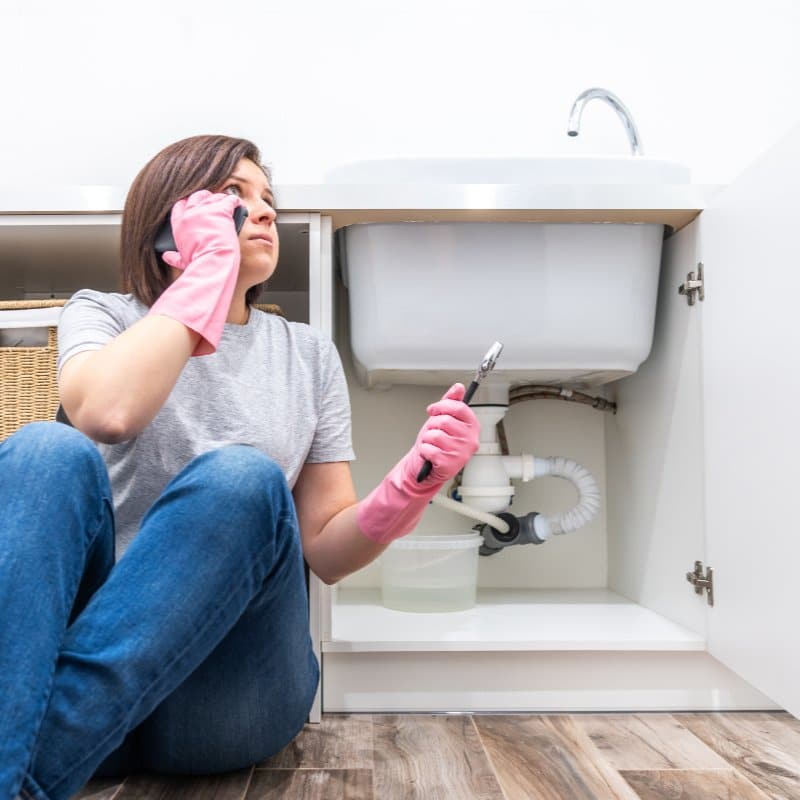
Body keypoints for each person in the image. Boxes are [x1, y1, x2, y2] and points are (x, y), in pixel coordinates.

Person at [0, 134, 480, 800]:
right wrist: (205, 277)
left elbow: (328, 554)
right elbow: (106, 412)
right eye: (233, 194)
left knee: (243, 480)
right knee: (42, 450)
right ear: (168, 219)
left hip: (222, 698)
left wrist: (410, 490)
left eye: (268, 199)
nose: (263, 212)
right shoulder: (104, 313)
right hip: (88, 694)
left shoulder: (307, 354)